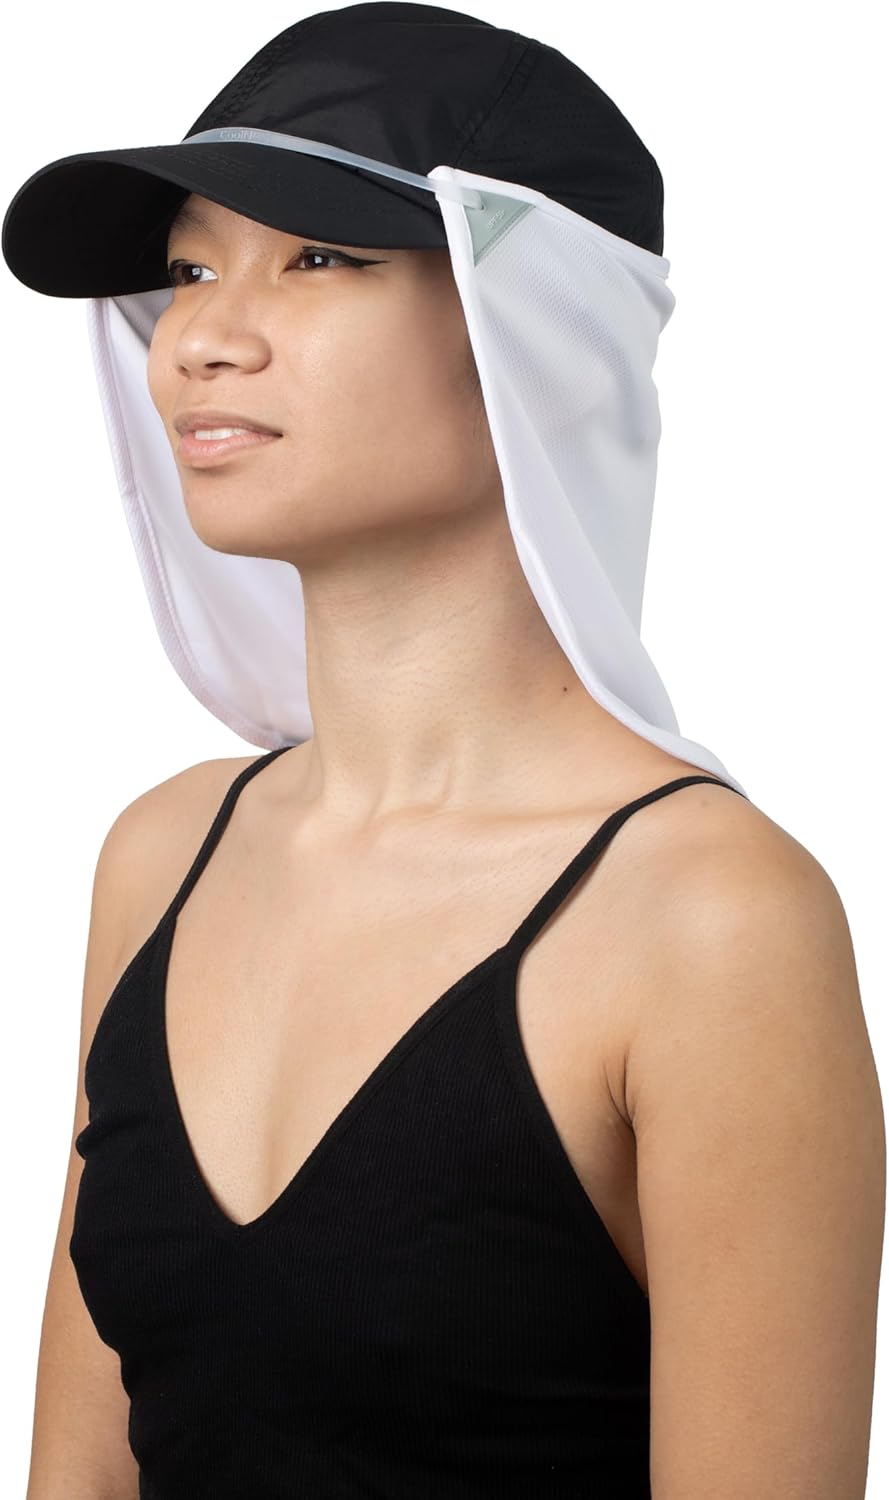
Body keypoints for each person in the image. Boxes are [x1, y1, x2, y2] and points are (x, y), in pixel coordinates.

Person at [5, 6, 883, 1498]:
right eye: (192, 268)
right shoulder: (162, 857)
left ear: (535, 334)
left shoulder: (709, 921)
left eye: (317, 258)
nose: (203, 337)